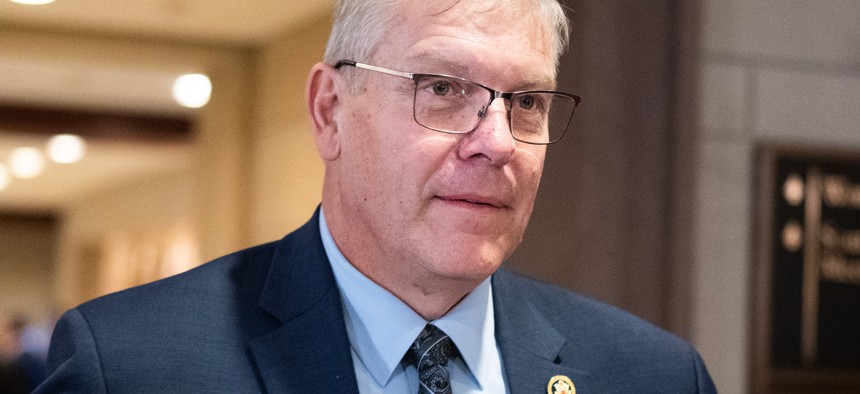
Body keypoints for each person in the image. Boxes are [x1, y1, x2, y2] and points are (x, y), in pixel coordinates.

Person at [37, 0, 716, 392]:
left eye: (527, 101)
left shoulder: (650, 376)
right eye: (443, 89)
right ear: (330, 110)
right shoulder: (131, 369)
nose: (498, 142)